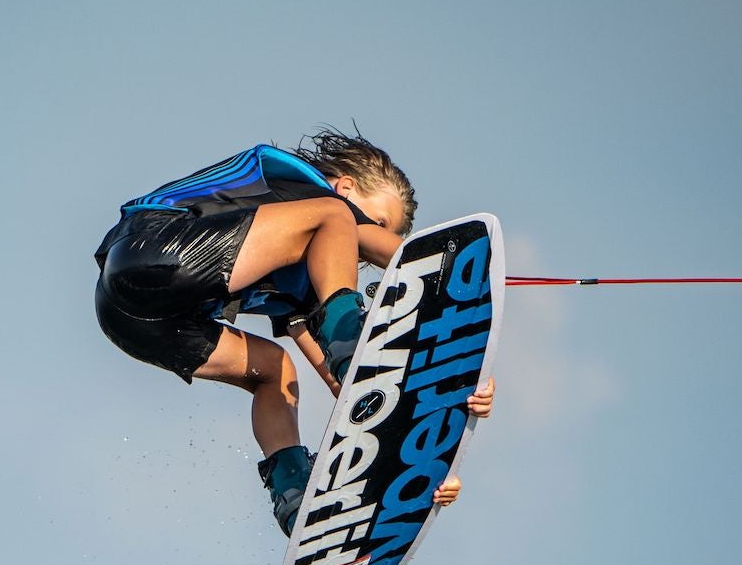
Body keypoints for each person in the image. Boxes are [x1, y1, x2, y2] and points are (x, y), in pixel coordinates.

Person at [94, 130, 493, 535]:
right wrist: (452, 265)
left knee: (275, 371)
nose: (375, 239)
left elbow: (355, 382)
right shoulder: (307, 192)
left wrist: (447, 403)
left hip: (127, 318)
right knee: (335, 219)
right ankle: (358, 334)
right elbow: (381, 246)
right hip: (151, 247)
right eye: (380, 222)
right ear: (347, 186)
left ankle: (294, 495)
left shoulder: (300, 283)